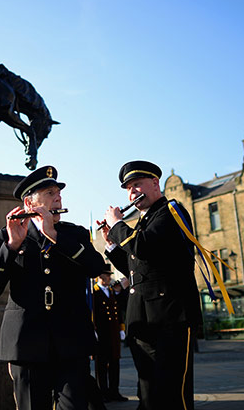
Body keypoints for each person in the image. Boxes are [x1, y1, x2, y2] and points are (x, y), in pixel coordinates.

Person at [0, 165, 106, 410]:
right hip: (27, 343)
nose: (58, 197)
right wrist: (10, 247)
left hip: (71, 341)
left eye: (58, 193)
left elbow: (95, 267)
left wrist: (55, 236)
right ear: (29, 204)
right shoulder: (10, 235)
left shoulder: (75, 234)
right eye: (50, 193)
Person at [100, 160, 202, 410]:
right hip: (144, 320)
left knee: (171, 391)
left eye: (137, 185)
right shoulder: (145, 220)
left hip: (170, 318)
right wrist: (112, 244)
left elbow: (143, 246)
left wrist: (118, 226)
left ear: (155, 183)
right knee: (148, 392)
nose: (132, 193)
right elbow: (138, 269)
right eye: (128, 189)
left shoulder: (171, 212)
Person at [92, 264, 128, 402]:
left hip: (113, 333)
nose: (109, 278)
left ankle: (114, 391)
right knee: (101, 365)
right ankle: (103, 392)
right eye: (106, 275)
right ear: (99, 277)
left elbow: (118, 311)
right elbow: (92, 313)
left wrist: (121, 328)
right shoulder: (94, 293)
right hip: (101, 333)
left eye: (109, 275)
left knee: (114, 363)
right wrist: (93, 329)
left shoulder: (111, 292)